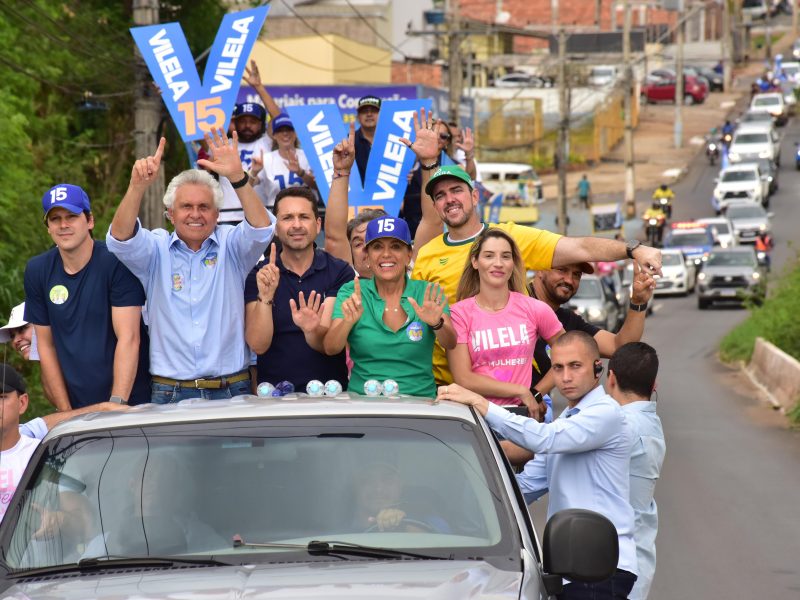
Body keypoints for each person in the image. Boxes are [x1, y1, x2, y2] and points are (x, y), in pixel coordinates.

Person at [410, 163, 663, 385]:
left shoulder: (511, 239)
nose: (449, 199)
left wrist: (633, 249)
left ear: (475, 196)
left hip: (514, 391)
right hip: (448, 387)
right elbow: (418, 321)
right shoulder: (427, 254)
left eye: (456, 190)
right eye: (440, 195)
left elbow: (579, 247)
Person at [440, 331, 638, 599]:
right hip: (570, 570)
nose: (565, 377)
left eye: (575, 366)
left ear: (597, 369)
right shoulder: (568, 421)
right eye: (558, 368)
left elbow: (544, 438)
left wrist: (481, 403)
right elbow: (523, 490)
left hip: (602, 567)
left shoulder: (605, 414)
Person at [106, 130, 275, 404]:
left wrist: (237, 178)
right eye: (186, 207)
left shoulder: (232, 245)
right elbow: (121, 238)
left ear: (217, 214)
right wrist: (136, 187)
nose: (195, 214)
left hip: (231, 389)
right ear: (170, 214)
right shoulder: (156, 249)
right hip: (169, 392)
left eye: (204, 207)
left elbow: (262, 228)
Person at [24, 184, 150, 410]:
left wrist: (117, 403)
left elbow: (129, 338)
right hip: (76, 407)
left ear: (89, 220)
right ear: (48, 228)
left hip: (130, 403)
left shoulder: (116, 262)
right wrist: (66, 413)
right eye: (55, 219)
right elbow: (46, 346)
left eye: (72, 216)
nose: (63, 225)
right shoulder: (37, 270)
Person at [449, 228, 564, 465]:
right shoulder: (459, 313)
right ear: (475, 261)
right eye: (489, 256)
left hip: (521, 420)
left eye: (506, 256)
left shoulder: (534, 308)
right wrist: (519, 390)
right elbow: (463, 378)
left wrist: (536, 391)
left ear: (514, 263)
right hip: (476, 417)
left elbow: (570, 355)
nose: (498, 263)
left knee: (515, 497)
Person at [324, 216, 456, 397]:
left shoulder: (427, 291)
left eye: (395, 246)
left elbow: (451, 343)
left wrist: (437, 323)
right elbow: (331, 348)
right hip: (364, 404)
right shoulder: (352, 292)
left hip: (421, 406)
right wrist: (347, 322)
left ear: (409, 254)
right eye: (377, 247)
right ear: (368, 255)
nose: (386, 254)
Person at [244, 186, 354, 391]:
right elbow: (258, 345)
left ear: (318, 224)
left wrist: (312, 329)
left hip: (330, 395)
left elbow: (331, 344)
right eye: (287, 218)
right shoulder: (259, 274)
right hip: (275, 397)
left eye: (304, 217)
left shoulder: (339, 271)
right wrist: (266, 296)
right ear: (276, 227)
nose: (296, 225)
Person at [323, 112, 444, 278]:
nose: (370, 249)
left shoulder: (413, 272)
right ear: (349, 254)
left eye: (382, 242)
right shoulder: (347, 279)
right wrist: (341, 172)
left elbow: (433, 221)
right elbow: (334, 236)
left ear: (408, 254)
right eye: (359, 243)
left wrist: (430, 161)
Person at [0, 364, 125, 524]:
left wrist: (59, 521)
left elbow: (83, 522)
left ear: (22, 403)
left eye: (1, 397)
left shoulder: (48, 454)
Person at [528, 261, 655, 396]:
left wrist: (638, 302)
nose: (569, 280)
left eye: (576, 274)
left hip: (530, 413)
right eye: (561, 270)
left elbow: (620, 346)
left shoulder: (567, 320)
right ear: (539, 270)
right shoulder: (512, 301)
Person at [607, 343, 665, 600]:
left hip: (616, 571)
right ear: (654, 385)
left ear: (611, 379)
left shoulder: (620, 427)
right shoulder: (651, 424)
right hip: (639, 563)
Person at [250, 112, 316, 210]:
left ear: (295, 133)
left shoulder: (309, 156)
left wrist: (300, 172)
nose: (285, 133)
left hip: (304, 212)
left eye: (289, 129)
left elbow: (318, 187)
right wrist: (254, 172)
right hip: (275, 215)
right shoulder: (267, 159)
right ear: (274, 136)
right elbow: (248, 186)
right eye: (280, 130)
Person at [353, 94, 381, 185]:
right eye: (364, 111)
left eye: (374, 111)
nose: (369, 114)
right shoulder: (349, 142)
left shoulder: (394, 139)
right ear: (358, 117)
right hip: (357, 198)